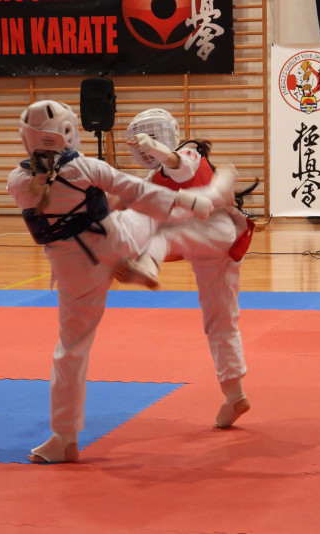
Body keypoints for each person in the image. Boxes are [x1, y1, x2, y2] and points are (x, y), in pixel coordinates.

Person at [6, 100, 235, 464]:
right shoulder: (85, 167)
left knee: (71, 349)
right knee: (150, 213)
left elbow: (51, 196)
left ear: (26, 140)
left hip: (73, 269)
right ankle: (175, 231)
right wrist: (192, 202)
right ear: (66, 133)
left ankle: (64, 437)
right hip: (117, 241)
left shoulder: (16, 182)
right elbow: (137, 192)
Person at [117, 108, 253, 429]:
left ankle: (147, 264)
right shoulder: (153, 178)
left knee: (162, 231)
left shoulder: (187, 153)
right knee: (220, 320)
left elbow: (176, 164)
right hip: (212, 246)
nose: (142, 150)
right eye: (139, 145)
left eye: (148, 141)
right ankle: (234, 395)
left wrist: (153, 147)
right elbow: (132, 199)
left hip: (214, 226)